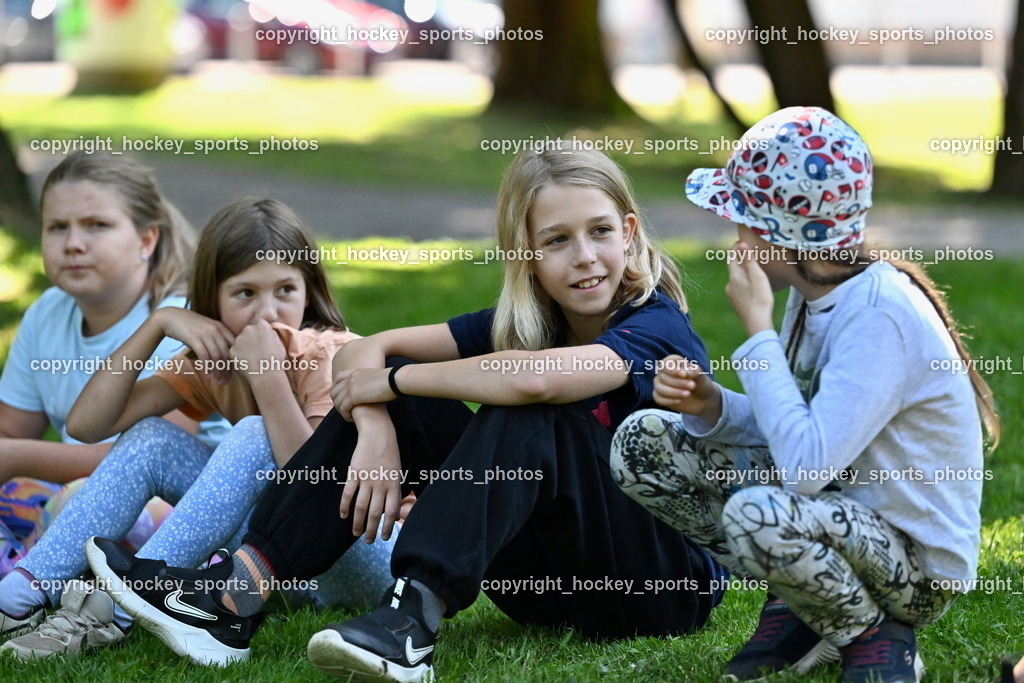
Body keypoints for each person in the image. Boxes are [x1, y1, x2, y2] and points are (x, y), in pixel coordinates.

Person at [85, 146, 727, 679]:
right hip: (550, 587)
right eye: (557, 240)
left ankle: (411, 617)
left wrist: (388, 384)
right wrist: (375, 424)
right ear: (525, 254)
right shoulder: (525, 322)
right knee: (412, 401)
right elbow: (365, 349)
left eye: (600, 232)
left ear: (630, 233)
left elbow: (532, 381)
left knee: (527, 408)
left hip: (659, 587)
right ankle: (232, 597)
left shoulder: (655, 326)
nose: (584, 256)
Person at [608, 107, 1000, 683]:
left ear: (777, 234)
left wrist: (758, 332)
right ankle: (803, 602)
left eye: (740, 220)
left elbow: (805, 468)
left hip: (913, 566)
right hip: (838, 518)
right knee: (643, 444)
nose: (733, 237)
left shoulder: (877, 317)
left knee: (754, 513)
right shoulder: (811, 294)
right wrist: (711, 406)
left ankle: (876, 638)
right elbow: (800, 432)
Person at [0, 198, 394, 661]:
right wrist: (158, 324)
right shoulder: (213, 359)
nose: (267, 314)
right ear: (213, 302)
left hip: (366, 554)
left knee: (253, 432)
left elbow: (315, 491)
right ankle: (19, 596)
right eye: (244, 294)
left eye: (285, 289)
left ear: (309, 292)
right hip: (274, 568)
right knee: (151, 438)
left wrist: (267, 378)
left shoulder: (330, 352)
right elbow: (87, 425)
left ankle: (111, 610)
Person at [0, 152, 228, 577]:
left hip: (186, 506)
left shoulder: (182, 323)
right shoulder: (46, 312)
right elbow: (11, 431)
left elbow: (149, 462)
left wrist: (13, 457)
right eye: (57, 227)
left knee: (80, 501)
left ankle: (31, 570)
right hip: (75, 494)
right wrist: (10, 455)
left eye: (96, 225)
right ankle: (31, 559)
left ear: (146, 240)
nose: (73, 244)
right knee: (38, 498)